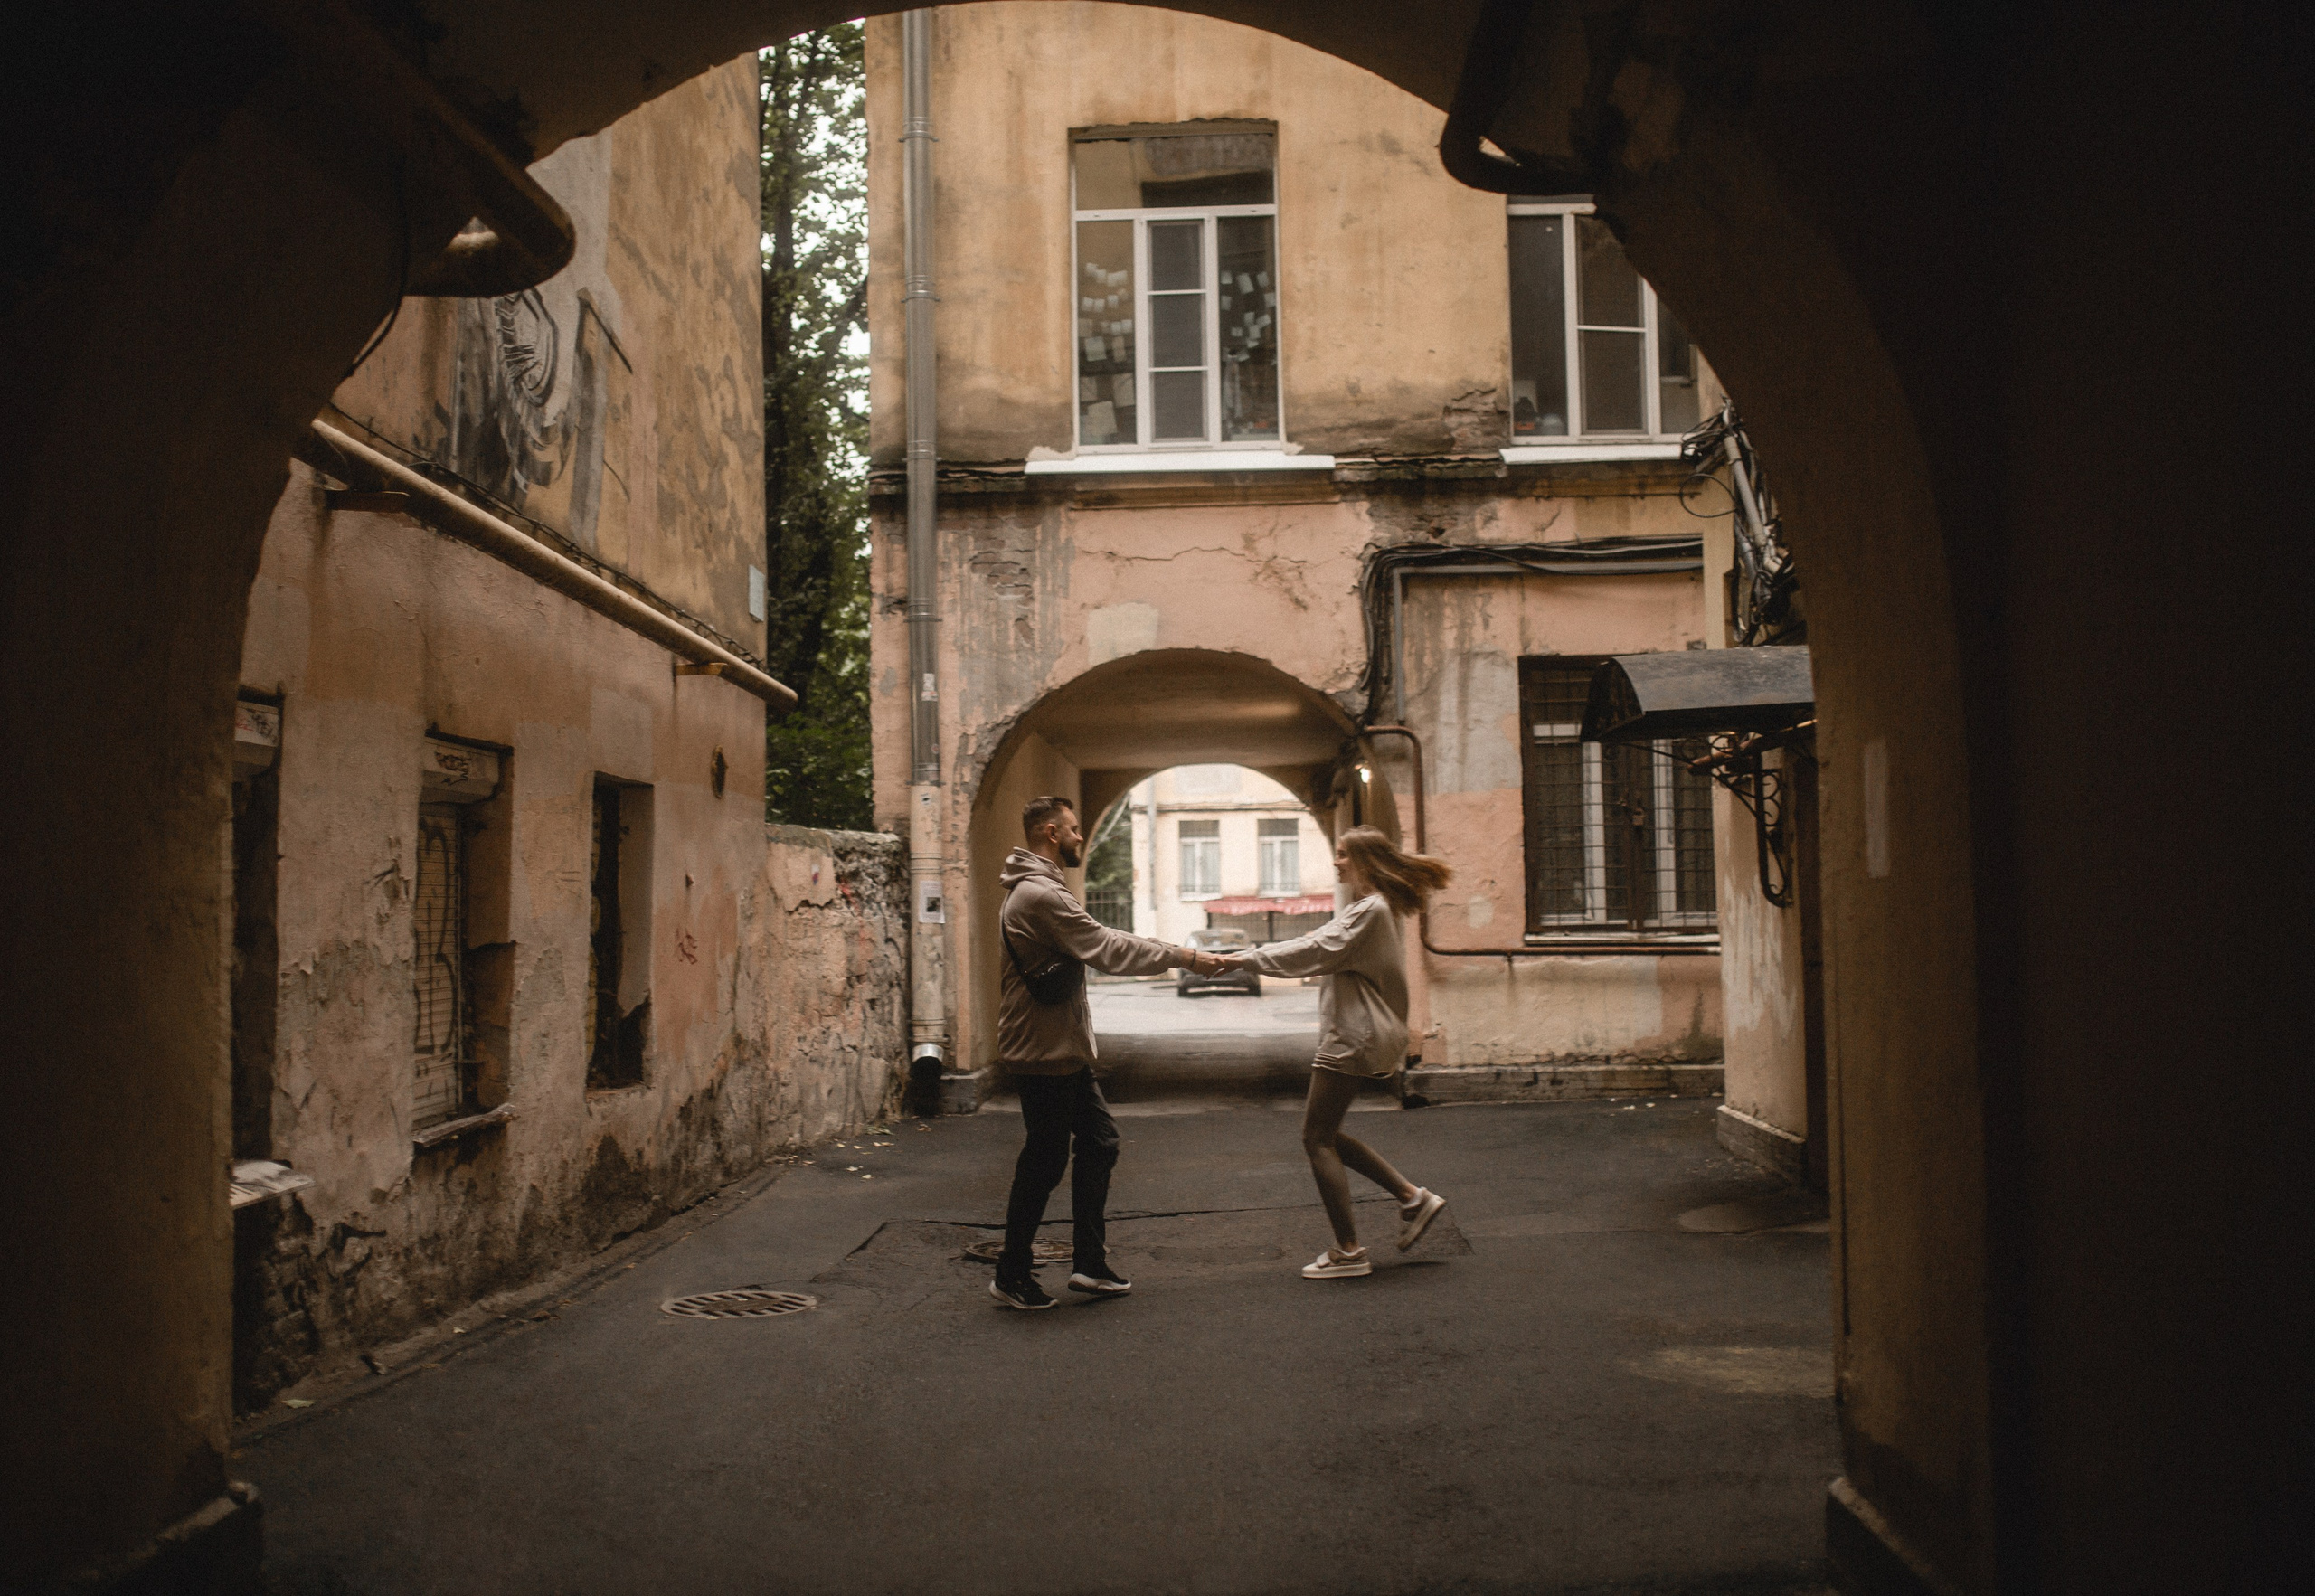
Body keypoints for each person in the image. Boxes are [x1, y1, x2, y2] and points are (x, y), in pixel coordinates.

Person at [990, 795, 1230, 1310]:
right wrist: (1184, 956)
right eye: (1075, 829)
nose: (1082, 837)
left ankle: (1088, 1265)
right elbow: (1107, 946)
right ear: (1051, 833)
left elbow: (1098, 940)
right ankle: (1012, 1272)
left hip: (1061, 1050)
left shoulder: (1042, 890)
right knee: (1045, 1160)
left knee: (1098, 1142)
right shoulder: (1039, 896)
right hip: (1043, 1051)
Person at [1214, 825, 1451, 1279]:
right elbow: (1313, 944)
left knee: (1316, 1138)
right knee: (1326, 1133)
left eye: (1343, 854)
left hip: (1354, 1036)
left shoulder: (1371, 911)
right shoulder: (1367, 909)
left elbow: (1313, 949)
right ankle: (1411, 1198)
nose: (1336, 861)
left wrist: (1244, 959)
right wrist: (1247, 956)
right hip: (1355, 1033)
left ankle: (1349, 1251)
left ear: (1364, 860)